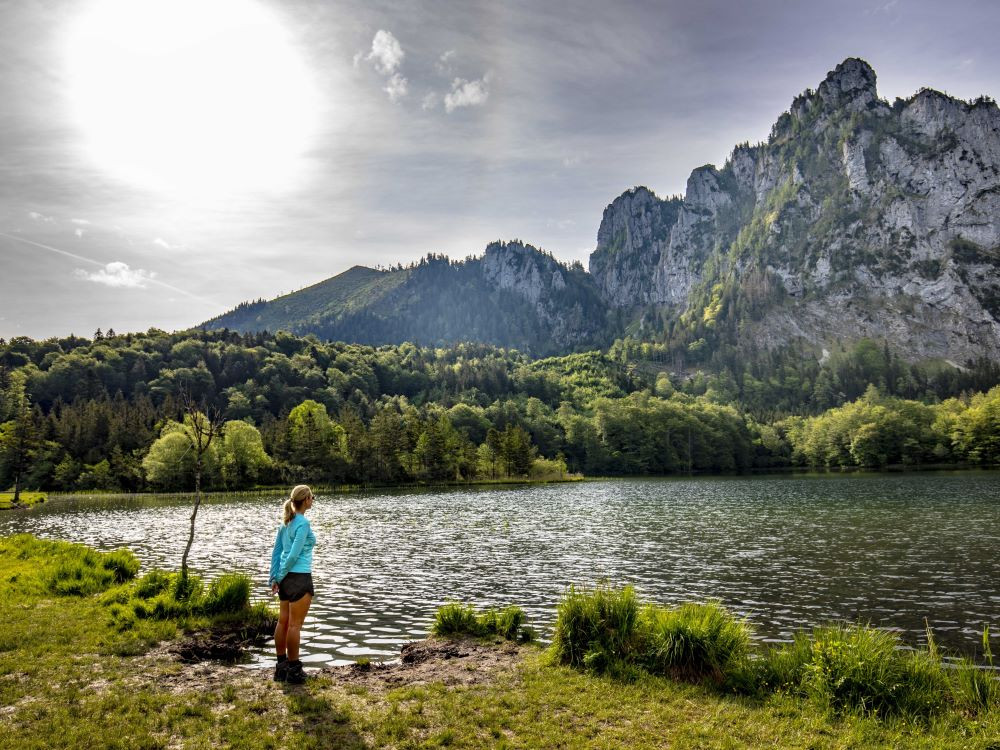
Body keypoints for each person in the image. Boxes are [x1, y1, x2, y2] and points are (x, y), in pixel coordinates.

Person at [269, 484, 316, 684]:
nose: (313, 500)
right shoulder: (303, 524)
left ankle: (281, 667)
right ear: (305, 500)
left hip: (286, 579)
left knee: (283, 622)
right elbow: (294, 555)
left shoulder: (285, 523)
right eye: (312, 497)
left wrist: (274, 577)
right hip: (299, 578)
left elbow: (276, 552)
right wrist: (278, 576)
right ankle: (294, 670)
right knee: (295, 626)